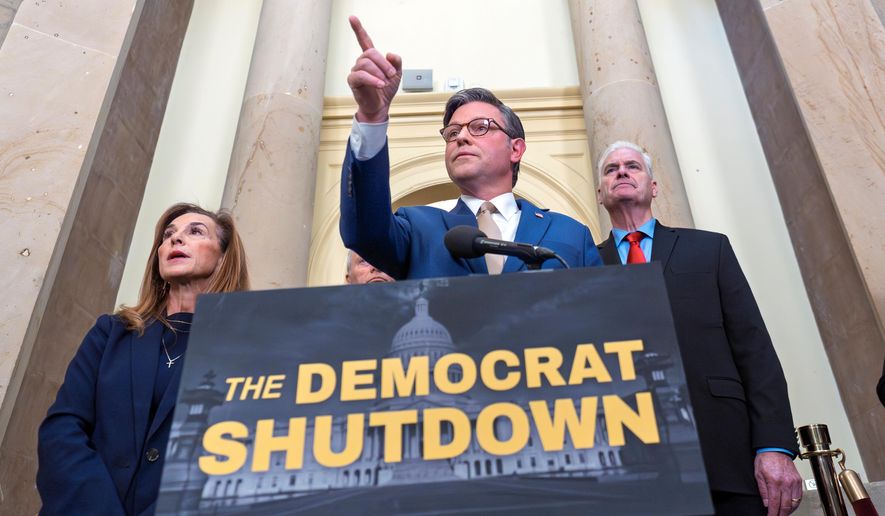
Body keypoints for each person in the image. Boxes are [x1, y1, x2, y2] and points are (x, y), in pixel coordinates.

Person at [594, 141, 802, 516]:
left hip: (726, 456)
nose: (622, 171)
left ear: (654, 186)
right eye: (611, 169)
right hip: (630, 466)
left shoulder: (709, 249)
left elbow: (753, 348)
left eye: (632, 166)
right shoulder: (585, 266)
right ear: (600, 193)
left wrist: (774, 445)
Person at [339, 16, 602, 279]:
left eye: (480, 127)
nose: (461, 137)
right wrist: (372, 117)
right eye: (453, 132)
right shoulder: (417, 228)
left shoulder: (571, 235)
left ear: (516, 149)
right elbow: (365, 232)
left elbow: (602, 302)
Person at [37, 203, 250, 515]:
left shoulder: (245, 351)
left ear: (223, 257)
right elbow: (62, 429)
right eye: (168, 235)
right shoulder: (111, 333)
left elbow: (241, 459)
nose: (176, 239)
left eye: (195, 232)